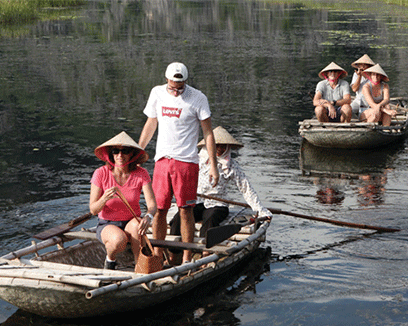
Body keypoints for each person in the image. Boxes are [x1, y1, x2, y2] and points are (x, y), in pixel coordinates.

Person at [138, 62, 219, 264]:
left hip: (186, 161)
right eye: (173, 87)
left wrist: (214, 166)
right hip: (162, 160)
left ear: (186, 82)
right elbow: (150, 124)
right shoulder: (157, 93)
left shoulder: (198, 98)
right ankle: (157, 255)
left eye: (180, 87)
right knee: (159, 210)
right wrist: (138, 152)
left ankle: (186, 256)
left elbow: (208, 133)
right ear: (166, 80)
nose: (176, 92)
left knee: (185, 210)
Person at [169, 127, 272, 260]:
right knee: (179, 219)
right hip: (198, 200)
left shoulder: (231, 166)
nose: (220, 149)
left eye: (223, 146)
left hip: (219, 203)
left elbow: (246, 189)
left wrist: (261, 210)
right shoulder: (197, 160)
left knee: (210, 220)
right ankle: (173, 255)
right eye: (217, 146)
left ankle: (204, 255)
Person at [89, 131, 157, 270]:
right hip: (107, 223)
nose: (120, 155)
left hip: (131, 220)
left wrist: (148, 217)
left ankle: (140, 267)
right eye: (116, 151)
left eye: (125, 151)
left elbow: (152, 205)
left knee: (137, 228)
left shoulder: (141, 173)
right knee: (119, 240)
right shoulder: (100, 173)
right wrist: (104, 198)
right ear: (111, 154)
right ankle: (110, 260)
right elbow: (93, 209)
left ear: (131, 154)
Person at [350, 54, 376, 118]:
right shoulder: (356, 74)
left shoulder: (374, 75)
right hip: (358, 100)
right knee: (349, 110)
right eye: (361, 65)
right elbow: (354, 89)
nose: (363, 67)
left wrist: (366, 75)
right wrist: (359, 76)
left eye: (365, 65)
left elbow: (376, 86)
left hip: (371, 101)